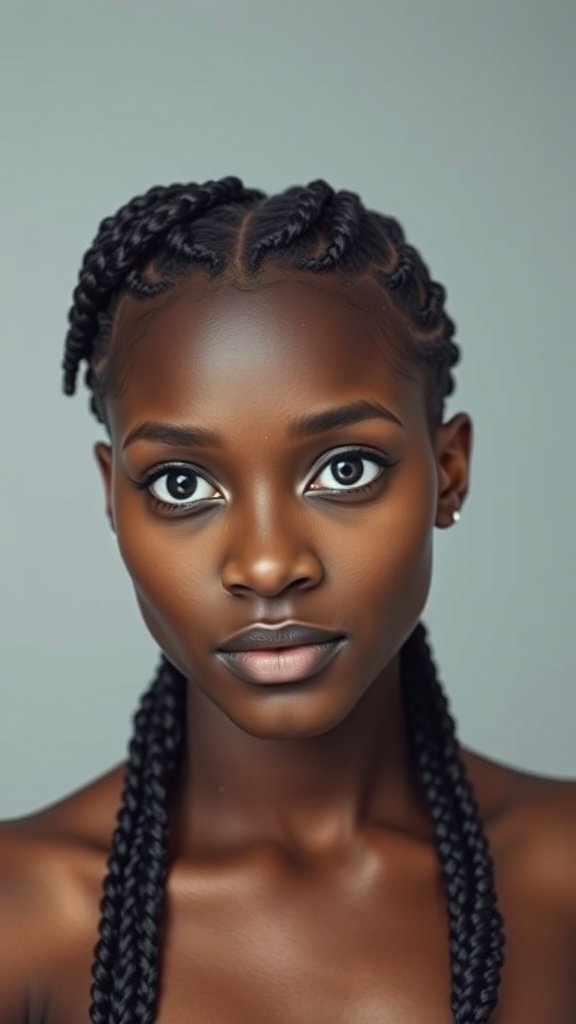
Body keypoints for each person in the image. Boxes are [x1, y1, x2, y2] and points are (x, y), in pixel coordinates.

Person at [0, 176, 575, 1024]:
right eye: (181, 481)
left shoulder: (560, 878)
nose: (268, 566)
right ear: (111, 501)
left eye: (345, 470)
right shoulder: (25, 917)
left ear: (448, 472)